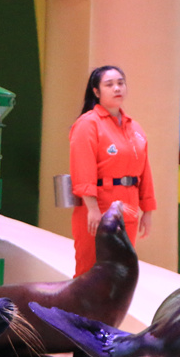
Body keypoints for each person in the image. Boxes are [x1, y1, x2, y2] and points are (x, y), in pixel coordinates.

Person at [69, 65, 157, 277]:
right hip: (100, 205)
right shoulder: (88, 124)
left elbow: (144, 170)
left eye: (120, 83)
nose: (117, 88)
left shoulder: (134, 127)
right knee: (91, 270)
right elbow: (82, 166)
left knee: (122, 271)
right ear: (96, 91)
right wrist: (92, 208)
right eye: (109, 84)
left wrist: (147, 210)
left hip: (129, 207)